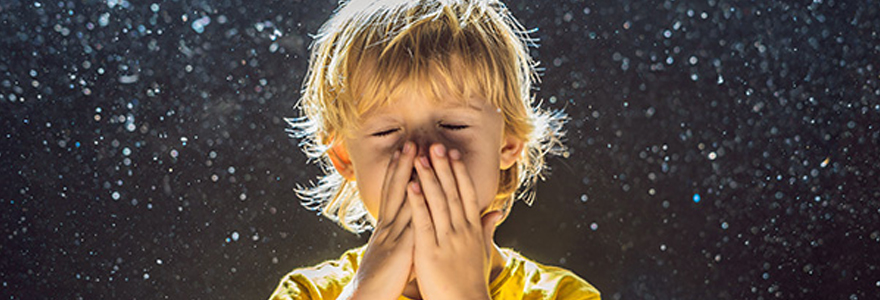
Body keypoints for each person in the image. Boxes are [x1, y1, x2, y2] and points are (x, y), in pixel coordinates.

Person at [270, 0, 601, 299]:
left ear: (509, 142)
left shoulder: (563, 295)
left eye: (454, 127)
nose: (422, 156)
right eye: (386, 132)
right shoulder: (307, 293)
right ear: (344, 157)